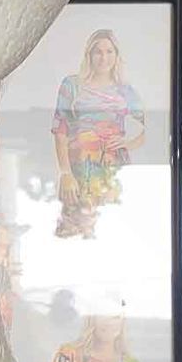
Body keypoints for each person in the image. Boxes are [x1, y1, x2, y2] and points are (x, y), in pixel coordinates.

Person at [51, 29, 145, 238]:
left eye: (109, 51)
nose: (104, 57)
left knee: (112, 229)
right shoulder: (72, 85)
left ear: (117, 55)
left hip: (114, 168)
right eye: (98, 52)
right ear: (89, 55)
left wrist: (127, 143)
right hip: (79, 168)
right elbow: (60, 132)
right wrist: (65, 173)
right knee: (73, 225)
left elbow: (149, 130)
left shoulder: (126, 91)